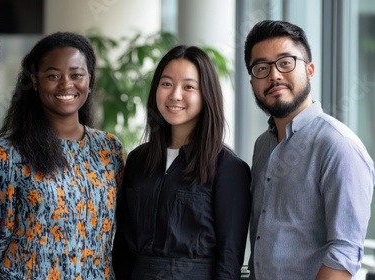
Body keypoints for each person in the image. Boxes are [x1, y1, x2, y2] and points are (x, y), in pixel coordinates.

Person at [244, 20, 375, 279]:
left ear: (310, 69)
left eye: (285, 62)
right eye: (262, 67)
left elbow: (344, 253)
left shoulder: (338, 145)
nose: (274, 75)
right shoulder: (262, 145)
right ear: (252, 82)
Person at [0, 32, 124, 279]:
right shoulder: (9, 152)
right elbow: (0, 236)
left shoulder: (109, 149)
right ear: (35, 81)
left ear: (90, 79)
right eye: (53, 76)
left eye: (76, 75)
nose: (66, 84)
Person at [112, 45, 252, 279]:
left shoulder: (228, 168)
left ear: (206, 94)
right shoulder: (137, 160)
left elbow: (229, 258)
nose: (175, 95)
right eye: (166, 84)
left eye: (188, 87)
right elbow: (123, 248)